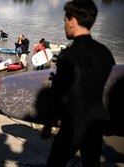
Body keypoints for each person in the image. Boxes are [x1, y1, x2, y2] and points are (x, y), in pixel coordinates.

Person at [42, 1, 116, 167]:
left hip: (74, 123)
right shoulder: (105, 52)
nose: (65, 25)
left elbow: (59, 94)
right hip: (96, 123)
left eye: (65, 20)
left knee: (54, 163)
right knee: (91, 164)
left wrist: (48, 126)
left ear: (72, 21)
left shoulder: (69, 55)